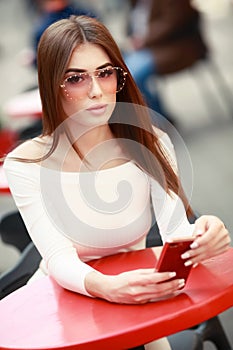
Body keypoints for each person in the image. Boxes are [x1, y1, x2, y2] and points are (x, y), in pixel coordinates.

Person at [3, 15, 230, 350]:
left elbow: (176, 231)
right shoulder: (26, 164)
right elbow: (57, 257)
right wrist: (105, 286)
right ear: (53, 85)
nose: (97, 91)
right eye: (76, 78)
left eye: (105, 73)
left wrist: (203, 236)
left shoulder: (150, 140)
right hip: (67, 302)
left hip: (139, 294)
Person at [124, 0, 207, 124]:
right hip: (145, 51)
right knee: (121, 74)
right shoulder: (135, 3)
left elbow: (176, 21)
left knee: (131, 76)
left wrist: (143, 40)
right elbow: (130, 27)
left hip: (175, 47)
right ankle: (156, 118)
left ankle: (159, 120)